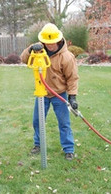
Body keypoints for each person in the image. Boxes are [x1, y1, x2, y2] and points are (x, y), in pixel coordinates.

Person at [20, 23, 79, 160]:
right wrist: (30, 49)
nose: (50, 45)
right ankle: (38, 144)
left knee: (64, 123)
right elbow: (24, 59)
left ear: (58, 40)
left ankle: (68, 149)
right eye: (47, 43)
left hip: (59, 94)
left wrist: (72, 97)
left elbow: (72, 78)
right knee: (37, 121)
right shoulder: (38, 50)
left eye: (52, 43)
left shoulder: (67, 57)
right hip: (42, 93)